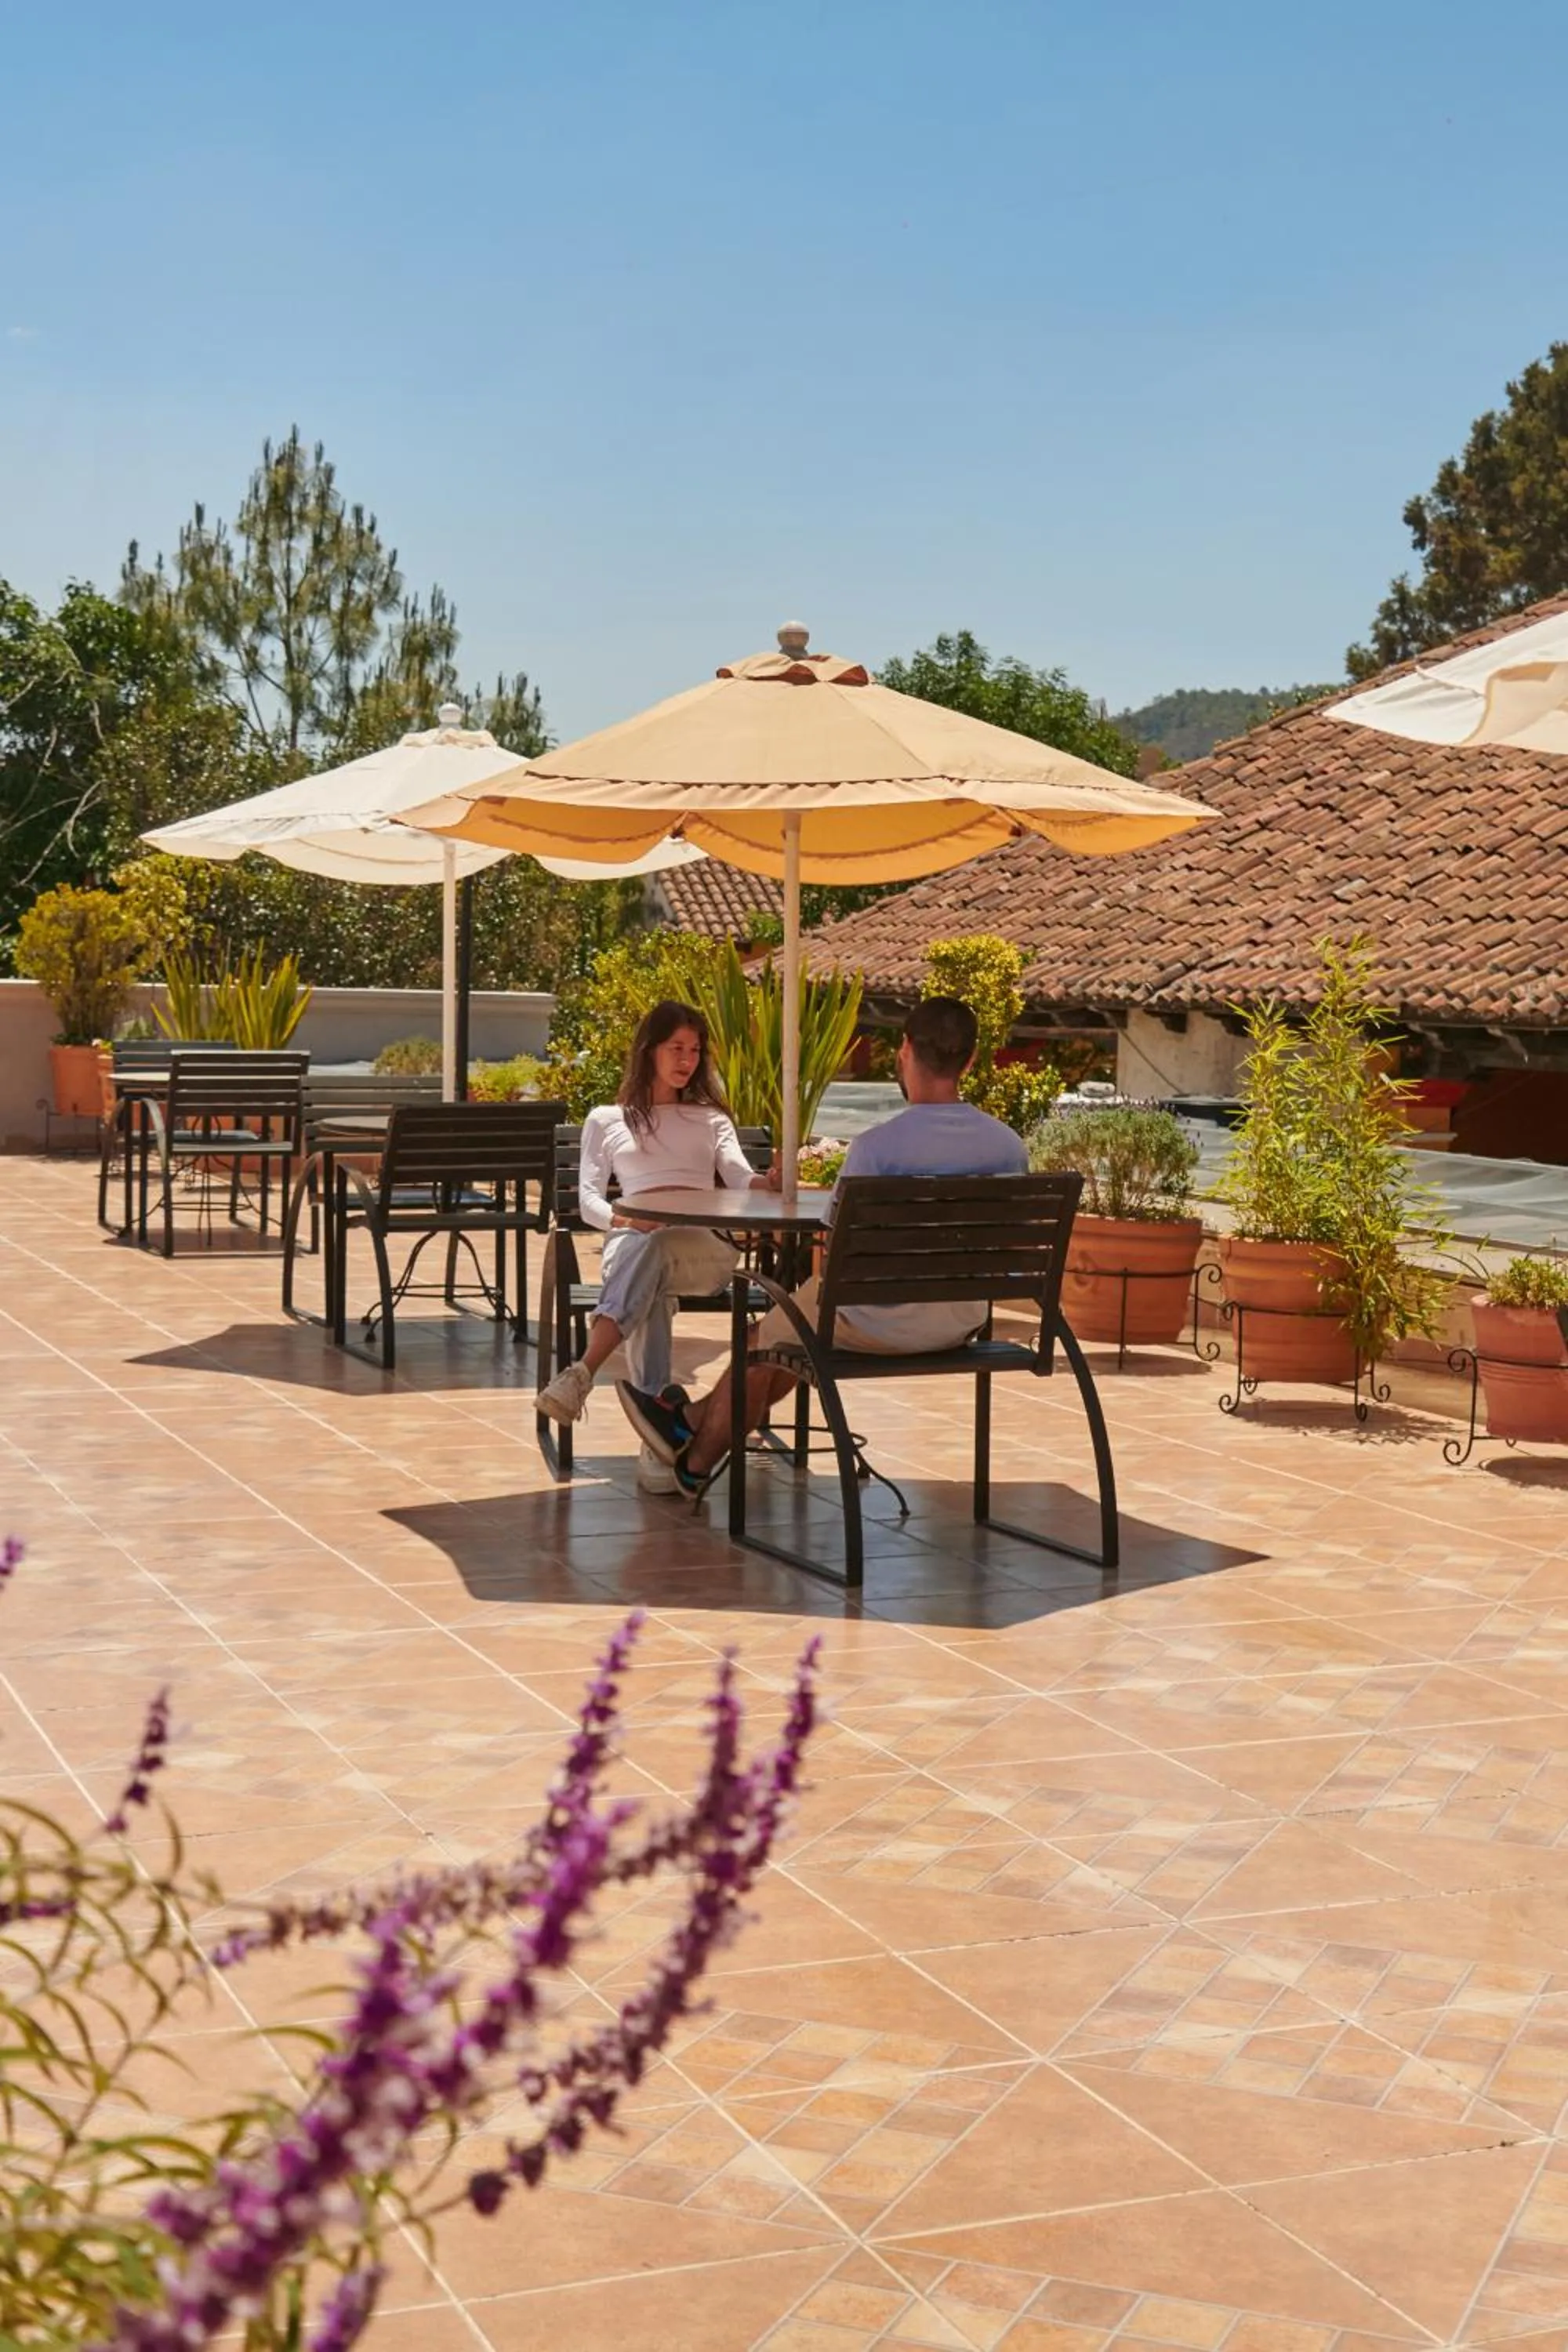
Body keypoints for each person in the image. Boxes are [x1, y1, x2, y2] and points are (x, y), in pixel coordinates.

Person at [617, 995, 1028, 1497]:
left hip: (877, 1323)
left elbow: (835, 1249)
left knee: (762, 1340)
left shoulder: (876, 1148)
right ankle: (685, 1421)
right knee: (788, 1336)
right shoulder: (1009, 1146)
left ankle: (693, 1459)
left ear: (903, 1052)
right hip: (961, 1322)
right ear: (969, 1059)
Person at [535, 999, 779, 1494]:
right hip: (631, 1240)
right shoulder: (606, 1119)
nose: (687, 1059)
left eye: (694, 1049)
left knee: (656, 1252)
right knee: (648, 1263)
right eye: (676, 1047)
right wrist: (624, 1217)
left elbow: (739, 1177)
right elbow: (586, 1201)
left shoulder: (712, 1119)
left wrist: (770, 1183)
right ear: (649, 1050)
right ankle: (659, 1437)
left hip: (703, 1249)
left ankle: (584, 1371)